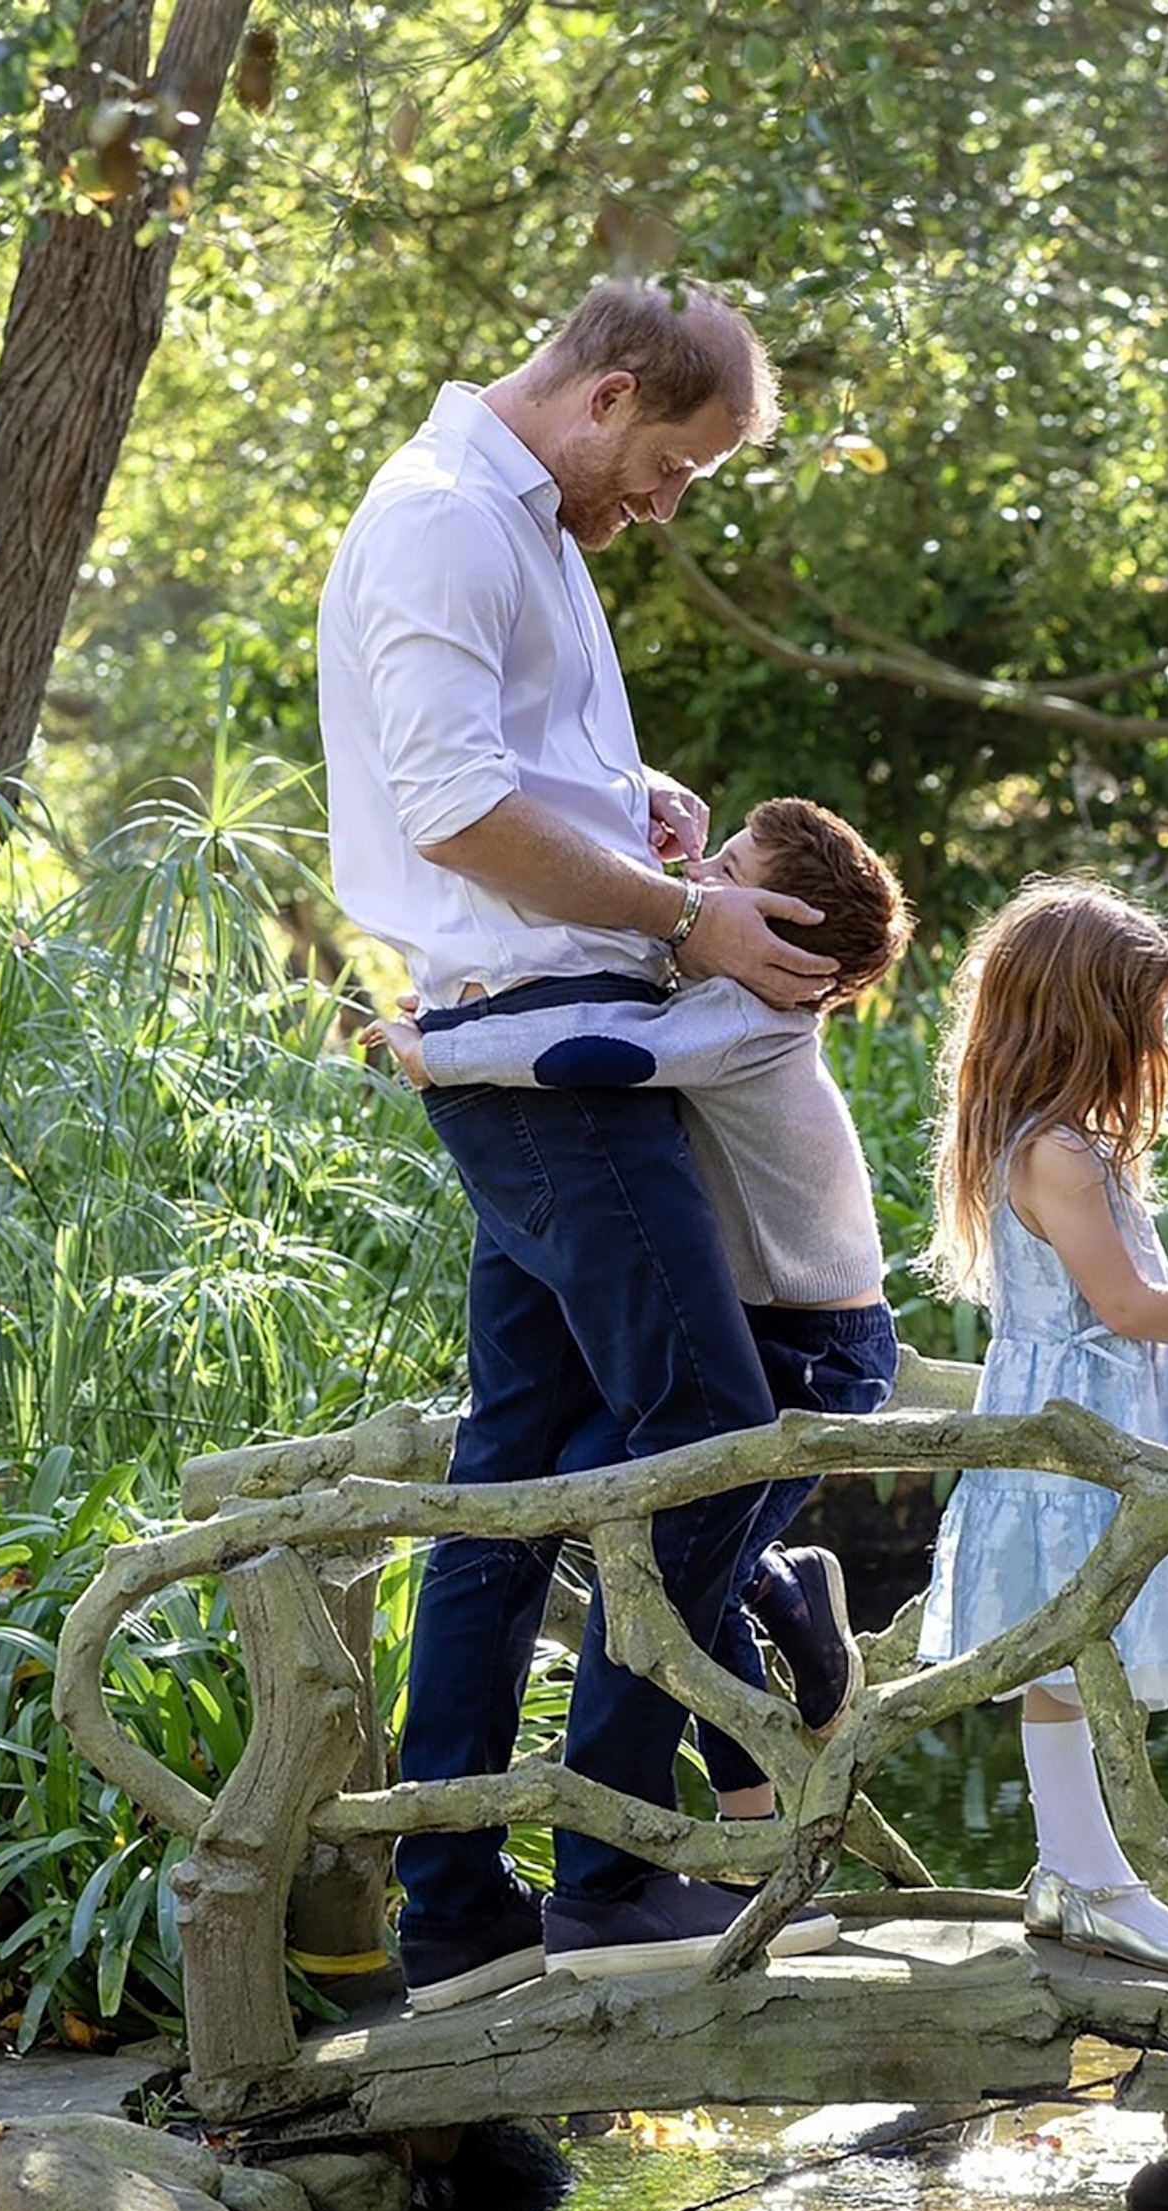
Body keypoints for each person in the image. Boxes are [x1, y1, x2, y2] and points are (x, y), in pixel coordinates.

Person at [321, 274, 848, 2013]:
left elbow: (518, 782)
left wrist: (635, 816)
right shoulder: (446, 522)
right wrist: (687, 912)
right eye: (676, 466)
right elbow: (452, 809)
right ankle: (614, 1866)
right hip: (553, 1069)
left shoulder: (531, 522)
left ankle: (460, 1912)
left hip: (546, 1049)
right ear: (612, 393)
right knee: (708, 1427)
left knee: (514, 1480)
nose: (666, 505)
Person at [367, 796, 916, 1805]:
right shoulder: (714, 991)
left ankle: (755, 1756)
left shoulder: (750, 1019)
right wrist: (673, 854)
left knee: (671, 1543)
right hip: (771, 1326)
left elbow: (599, 1049)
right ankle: (772, 1619)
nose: (698, 885)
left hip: (818, 1348)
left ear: (784, 936)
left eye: (731, 870)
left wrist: (435, 1052)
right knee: (624, 1507)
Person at [916, 879, 1168, 1978]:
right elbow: (1131, 1310)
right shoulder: (1053, 1152)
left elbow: (1162, 1305)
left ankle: (1075, 1866)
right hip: (1073, 1446)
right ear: (1089, 1020)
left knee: (1091, 1651)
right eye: (1156, 1020)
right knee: (1074, 1651)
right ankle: (1092, 1876)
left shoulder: (1075, 1147)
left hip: (1110, 1430)